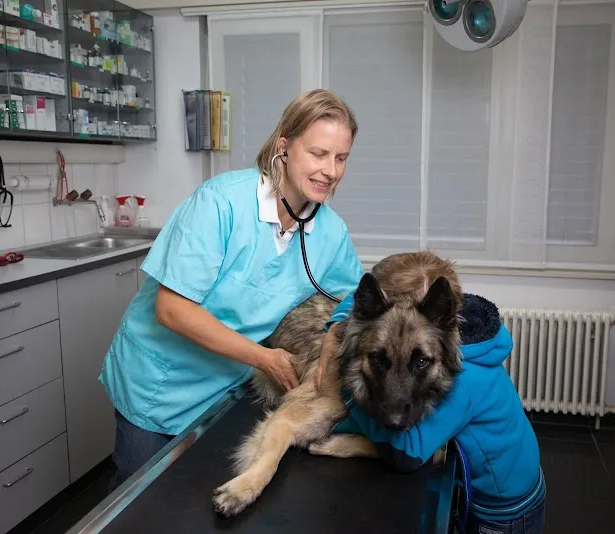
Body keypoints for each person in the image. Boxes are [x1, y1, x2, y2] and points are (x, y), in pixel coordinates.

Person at [99, 88, 366, 491]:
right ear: (284, 148)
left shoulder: (330, 232)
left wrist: (331, 348)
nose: (330, 170)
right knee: (142, 503)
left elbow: (357, 305)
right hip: (159, 386)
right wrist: (264, 358)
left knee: (196, 501)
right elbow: (172, 310)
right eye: (318, 154)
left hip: (224, 389)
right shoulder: (220, 203)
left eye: (341, 158)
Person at [320, 292, 546, 534]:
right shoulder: (468, 339)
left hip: (504, 510)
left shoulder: (464, 380)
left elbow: (406, 454)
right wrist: (335, 330)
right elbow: (359, 296)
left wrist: (347, 393)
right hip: (514, 484)